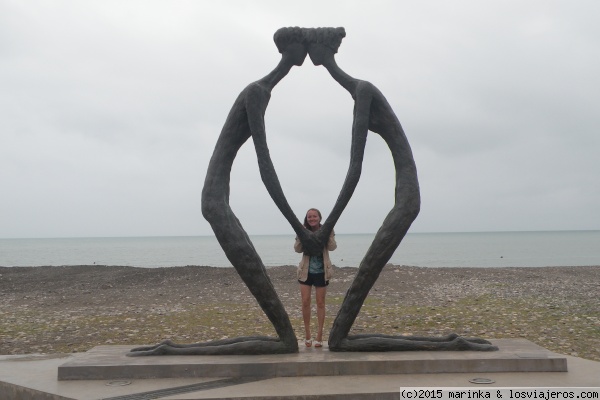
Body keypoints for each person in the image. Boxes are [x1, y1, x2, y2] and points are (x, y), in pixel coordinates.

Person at [294, 208, 336, 348]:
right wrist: (300, 234)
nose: (312, 218)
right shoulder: (303, 231)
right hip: (305, 272)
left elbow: (332, 247)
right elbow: (297, 249)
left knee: (320, 303)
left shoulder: (326, 229)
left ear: (319, 217)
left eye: (314, 216)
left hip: (322, 272)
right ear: (307, 218)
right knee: (305, 302)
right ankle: (307, 334)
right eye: (309, 217)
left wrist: (329, 233)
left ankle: (319, 335)